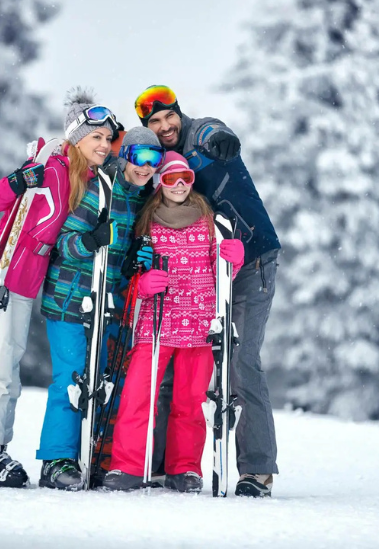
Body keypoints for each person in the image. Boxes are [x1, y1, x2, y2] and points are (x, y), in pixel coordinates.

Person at [0, 90, 120, 488]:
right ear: (76, 137)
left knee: (9, 366)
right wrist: (18, 180)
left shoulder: (90, 180)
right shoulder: (50, 166)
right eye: (94, 137)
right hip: (0, 267)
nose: (103, 144)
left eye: (107, 137)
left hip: (28, 280)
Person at [132, 85, 281, 497]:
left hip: (250, 264)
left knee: (240, 361)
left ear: (180, 114)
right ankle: (165, 463)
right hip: (198, 272)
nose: (164, 127)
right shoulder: (162, 164)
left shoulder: (200, 136)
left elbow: (212, 131)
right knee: (173, 362)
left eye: (169, 117)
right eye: (155, 122)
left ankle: (256, 470)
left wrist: (220, 138)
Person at [102, 152, 245, 493]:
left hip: (198, 324)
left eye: (185, 179)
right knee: (138, 394)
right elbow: (134, 269)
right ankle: (128, 465)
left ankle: (185, 468)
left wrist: (233, 262)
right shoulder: (147, 222)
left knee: (190, 401)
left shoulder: (209, 220)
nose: (179, 186)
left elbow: (221, 271)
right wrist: (143, 283)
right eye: (170, 179)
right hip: (156, 322)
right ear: (159, 183)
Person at [36, 125, 164, 490]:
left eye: (153, 160)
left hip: (106, 303)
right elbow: (65, 242)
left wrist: (130, 263)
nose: (146, 167)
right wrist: (92, 239)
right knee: (73, 377)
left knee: (103, 379)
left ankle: (90, 457)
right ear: (126, 157)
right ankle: (55, 460)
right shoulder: (100, 190)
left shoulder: (141, 200)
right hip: (69, 300)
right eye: (139, 158)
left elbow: (122, 257)